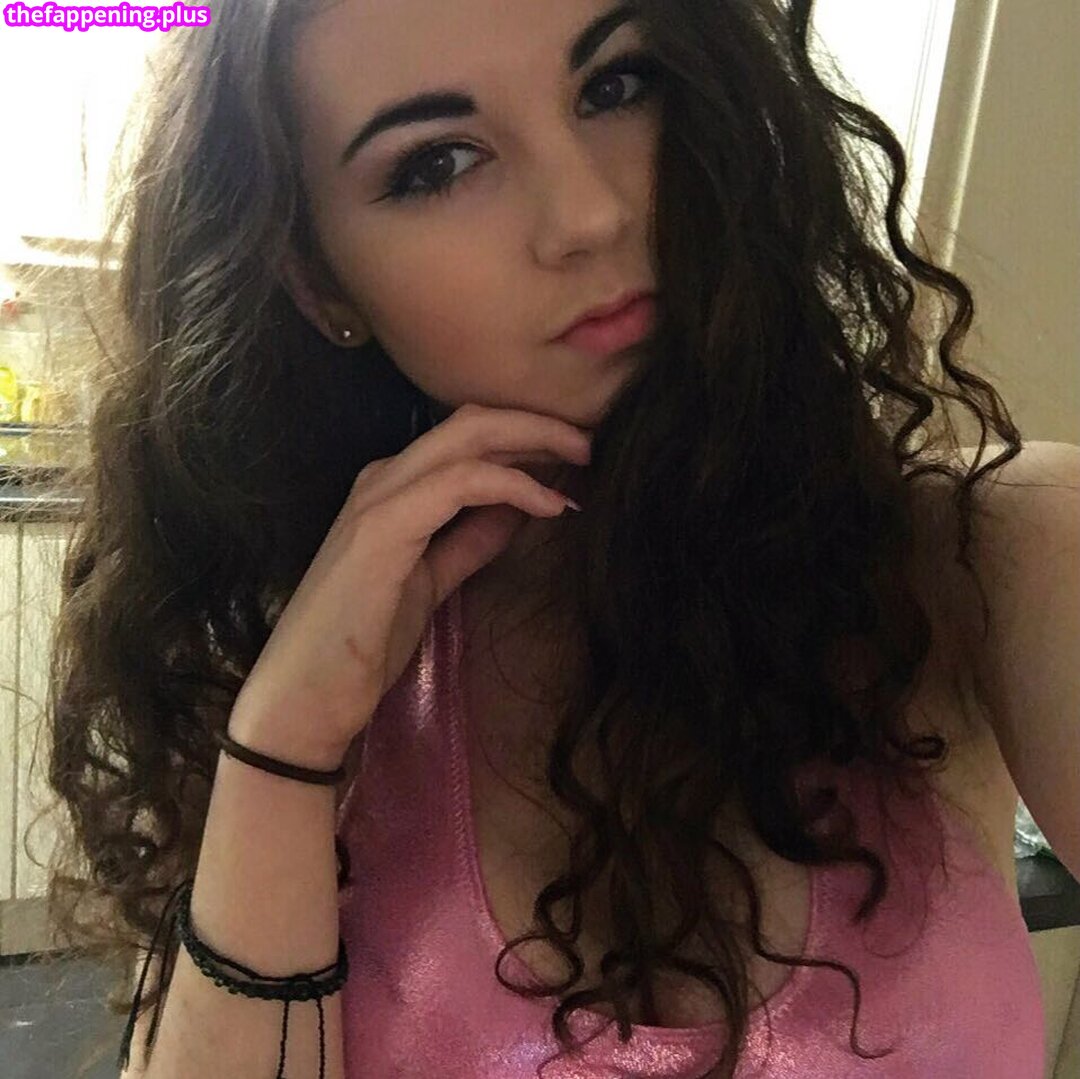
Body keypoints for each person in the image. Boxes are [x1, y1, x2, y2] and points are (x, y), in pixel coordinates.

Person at [35, 1, 1076, 1076]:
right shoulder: (286, 644)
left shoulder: (991, 557)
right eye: (438, 163)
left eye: (615, 87)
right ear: (319, 280)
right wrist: (283, 746)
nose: (589, 213)